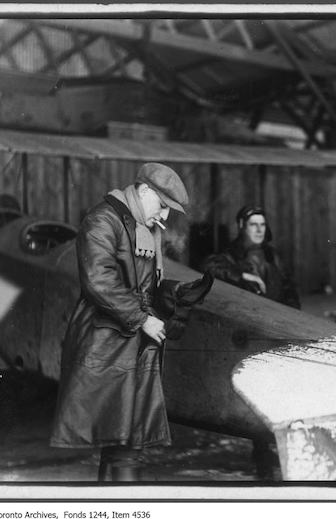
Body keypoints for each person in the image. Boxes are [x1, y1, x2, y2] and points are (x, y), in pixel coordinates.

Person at [50, 162, 211, 482]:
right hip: (108, 343)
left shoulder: (141, 227)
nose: (165, 218)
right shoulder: (102, 221)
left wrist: (175, 292)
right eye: (164, 207)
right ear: (146, 191)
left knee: (124, 441)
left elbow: (141, 285)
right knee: (125, 441)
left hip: (131, 343)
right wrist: (142, 319)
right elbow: (100, 282)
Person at [202, 205, 300, 309]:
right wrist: (241, 275)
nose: (259, 230)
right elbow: (209, 265)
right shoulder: (232, 254)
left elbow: (289, 290)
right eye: (253, 225)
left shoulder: (273, 255)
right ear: (241, 225)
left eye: (262, 225)